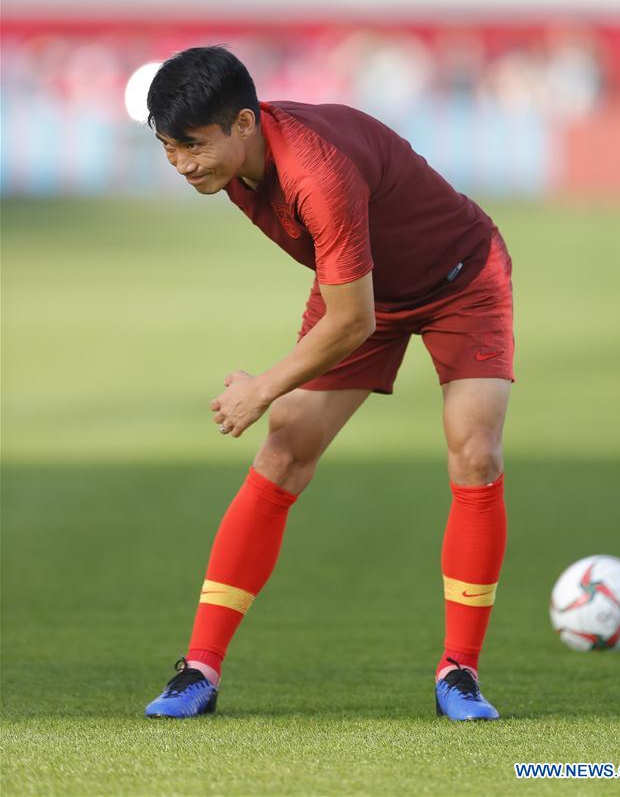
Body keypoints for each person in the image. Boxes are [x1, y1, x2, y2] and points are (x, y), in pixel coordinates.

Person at [143, 46, 513, 722]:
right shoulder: (229, 169)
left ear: (245, 124)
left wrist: (261, 389)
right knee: (284, 449)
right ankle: (199, 668)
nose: (183, 165)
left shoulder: (315, 171)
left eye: (193, 145)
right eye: (170, 150)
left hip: (463, 279)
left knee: (475, 450)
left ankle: (459, 670)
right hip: (366, 286)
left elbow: (351, 320)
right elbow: (354, 302)